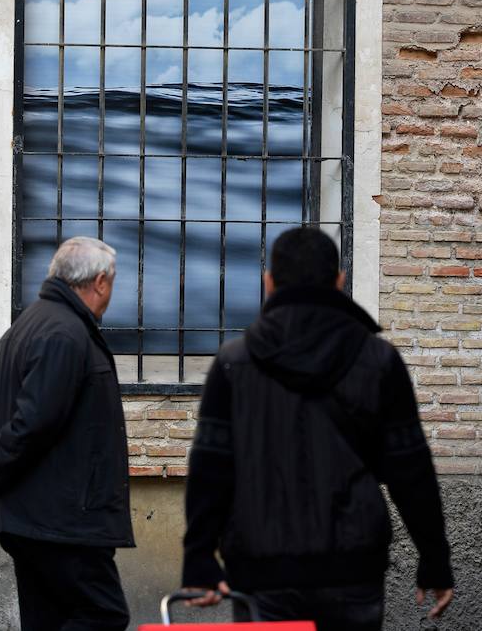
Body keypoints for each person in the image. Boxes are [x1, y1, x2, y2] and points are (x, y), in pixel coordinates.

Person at [182, 227, 454, 631]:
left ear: (269, 282)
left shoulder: (233, 362)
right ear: (339, 281)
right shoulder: (379, 360)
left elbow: (211, 468)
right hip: (352, 564)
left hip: (261, 566)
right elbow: (410, 469)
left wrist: (199, 558)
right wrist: (434, 559)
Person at [0, 237, 133, 631]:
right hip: (61, 521)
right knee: (103, 614)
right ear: (101, 281)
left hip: (28, 518)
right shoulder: (65, 334)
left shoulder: (25, 327)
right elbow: (33, 423)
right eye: (113, 282)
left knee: (48, 620)